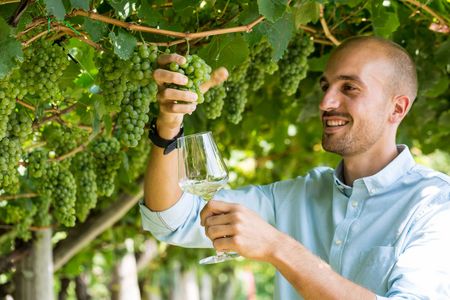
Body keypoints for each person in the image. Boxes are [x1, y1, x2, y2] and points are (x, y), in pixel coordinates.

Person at [140, 36, 450, 299]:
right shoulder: (297, 196)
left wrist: (277, 246)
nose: (326, 101)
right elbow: (172, 220)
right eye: (326, 86)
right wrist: (169, 125)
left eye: (349, 88)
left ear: (397, 108)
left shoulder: (435, 205)